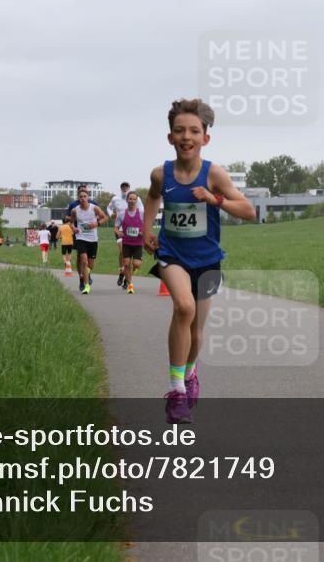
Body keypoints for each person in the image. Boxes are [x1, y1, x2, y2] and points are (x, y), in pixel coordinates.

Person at [143, 98, 255, 424]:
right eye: (180, 131)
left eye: (194, 131)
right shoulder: (160, 174)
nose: (186, 136)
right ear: (170, 137)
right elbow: (152, 197)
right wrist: (148, 229)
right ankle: (176, 391)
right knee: (184, 307)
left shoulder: (214, 174)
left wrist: (214, 198)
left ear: (206, 137)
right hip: (171, 254)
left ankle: (190, 373)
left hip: (206, 259)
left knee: (197, 332)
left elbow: (247, 210)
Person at [71, 190, 107, 294]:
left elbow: (105, 218)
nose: (82, 198)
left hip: (93, 239)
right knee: (84, 260)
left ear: (88, 197)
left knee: (90, 266)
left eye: (84, 196)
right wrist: (74, 229)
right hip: (80, 238)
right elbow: (71, 223)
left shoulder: (94, 208)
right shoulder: (75, 210)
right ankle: (86, 285)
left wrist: (97, 224)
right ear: (78, 198)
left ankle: (86, 274)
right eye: (80, 197)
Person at [114, 191, 145, 294]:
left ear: (137, 201)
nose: (132, 201)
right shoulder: (122, 214)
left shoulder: (141, 213)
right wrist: (118, 232)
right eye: (130, 199)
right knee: (126, 264)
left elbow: (147, 226)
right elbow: (116, 227)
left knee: (136, 264)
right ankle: (130, 285)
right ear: (127, 200)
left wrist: (143, 233)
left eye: (134, 199)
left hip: (137, 243)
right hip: (126, 242)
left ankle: (126, 276)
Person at [108, 182, 131, 287]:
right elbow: (109, 208)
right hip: (119, 228)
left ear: (129, 188)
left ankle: (125, 277)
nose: (124, 188)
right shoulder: (115, 199)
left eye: (126, 187)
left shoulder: (134, 198)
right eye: (123, 187)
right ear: (120, 188)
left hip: (131, 229)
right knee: (122, 251)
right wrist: (111, 214)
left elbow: (141, 210)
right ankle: (122, 271)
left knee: (129, 254)